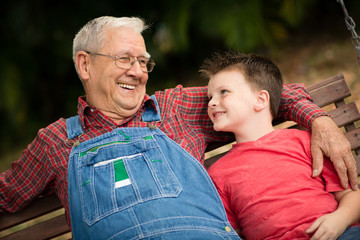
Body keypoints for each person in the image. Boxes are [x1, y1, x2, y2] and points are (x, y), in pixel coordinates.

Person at [0, 16, 357, 239]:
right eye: (125, 59)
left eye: (143, 61)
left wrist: (319, 119)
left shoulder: (175, 107)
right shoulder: (56, 142)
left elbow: (265, 93)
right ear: (85, 65)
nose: (138, 71)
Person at [204, 51, 360, 240]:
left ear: (260, 100)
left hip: (339, 233)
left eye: (223, 92)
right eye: (209, 97)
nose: (212, 103)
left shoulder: (305, 142)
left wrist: (338, 221)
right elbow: (227, 232)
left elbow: (351, 195)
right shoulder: (218, 173)